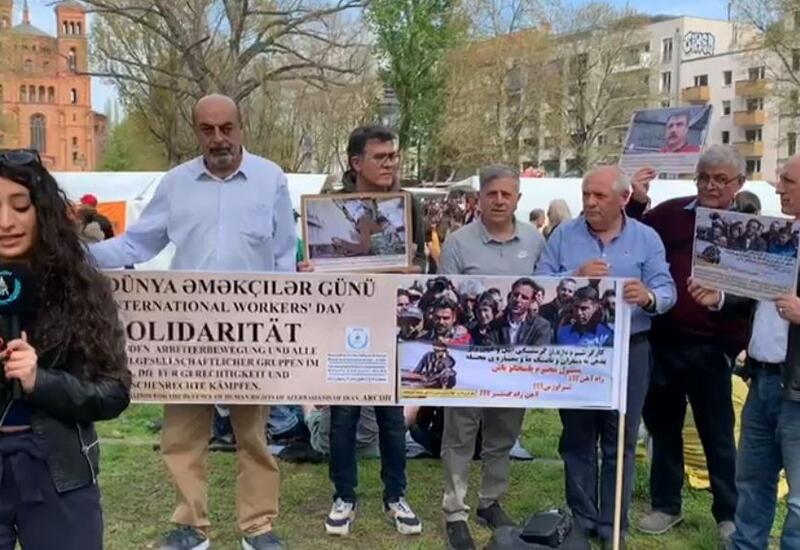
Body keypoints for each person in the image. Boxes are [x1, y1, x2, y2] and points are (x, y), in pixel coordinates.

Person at [89, 94, 294, 550]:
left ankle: (258, 527)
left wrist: (286, 312)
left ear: (241, 126)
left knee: (254, 437)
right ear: (196, 131)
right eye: (207, 129)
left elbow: (284, 257)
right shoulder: (176, 183)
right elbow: (137, 245)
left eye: (227, 128)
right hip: (185, 334)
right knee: (182, 436)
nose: (218, 138)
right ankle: (190, 526)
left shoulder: (271, 179)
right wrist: (77, 253)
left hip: (254, 333)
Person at [537, 165, 676, 550]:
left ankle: (614, 523)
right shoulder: (563, 234)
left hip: (630, 349)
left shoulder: (646, 238)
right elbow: (539, 285)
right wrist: (575, 275)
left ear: (624, 198)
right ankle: (582, 520)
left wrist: (648, 296)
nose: (590, 202)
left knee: (621, 439)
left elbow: (667, 289)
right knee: (577, 437)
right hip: (576, 351)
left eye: (599, 196)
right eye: (586, 194)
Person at [0, 149, 130, 550]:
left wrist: (40, 381)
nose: (5, 222)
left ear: (42, 211)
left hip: (58, 469)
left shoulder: (82, 288)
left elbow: (113, 392)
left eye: (20, 206)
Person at [303, 125, 422, 537]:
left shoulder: (408, 205)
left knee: (392, 416)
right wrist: (310, 270)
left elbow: (420, 267)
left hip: (389, 323)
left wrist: (413, 271)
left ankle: (396, 495)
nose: (390, 163)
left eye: (393, 156)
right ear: (356, 163)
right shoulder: (328, 207)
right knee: (343, 416)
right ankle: (344, 496)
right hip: (343, 324)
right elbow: (317, 266)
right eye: (381, 157)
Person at [625, 146, 749, 544]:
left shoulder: (750, 225)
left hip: (713, 347)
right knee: (663, 429)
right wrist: (636, 202)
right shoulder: (671, 213)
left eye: (720, 179)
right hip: (663, 341)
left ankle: (728, 513)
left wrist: (725, 308)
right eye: (704, 177)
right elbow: (632, 237)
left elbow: (758, 291)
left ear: (739, 183)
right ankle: (666, 505)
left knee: (718, 434)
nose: (711, 186)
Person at [688, 155, 800, 550]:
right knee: (752, 481)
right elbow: (755, 296)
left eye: (788, 181)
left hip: (796, 390)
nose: (778, 188)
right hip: (762, 379)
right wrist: (719, 298)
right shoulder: (779, 235)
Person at [437, 164, 547, 550]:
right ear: (479, 198)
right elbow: (446, 297)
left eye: (506, 194)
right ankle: (455, 511)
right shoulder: (458, 242)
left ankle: (490, 501)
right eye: (492, 194)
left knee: (503, 434)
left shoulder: (534, 240)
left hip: (513, 362)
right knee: (460, 435)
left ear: (518, 198)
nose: (499, 200)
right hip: (467, 360)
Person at [486, 278, 551, 347]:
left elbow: (539, 350)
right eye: (516, 295)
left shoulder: (540, 326)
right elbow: (489, 348)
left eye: (524, 297)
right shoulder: (495, 325)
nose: (518, 300)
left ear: (532, 301)